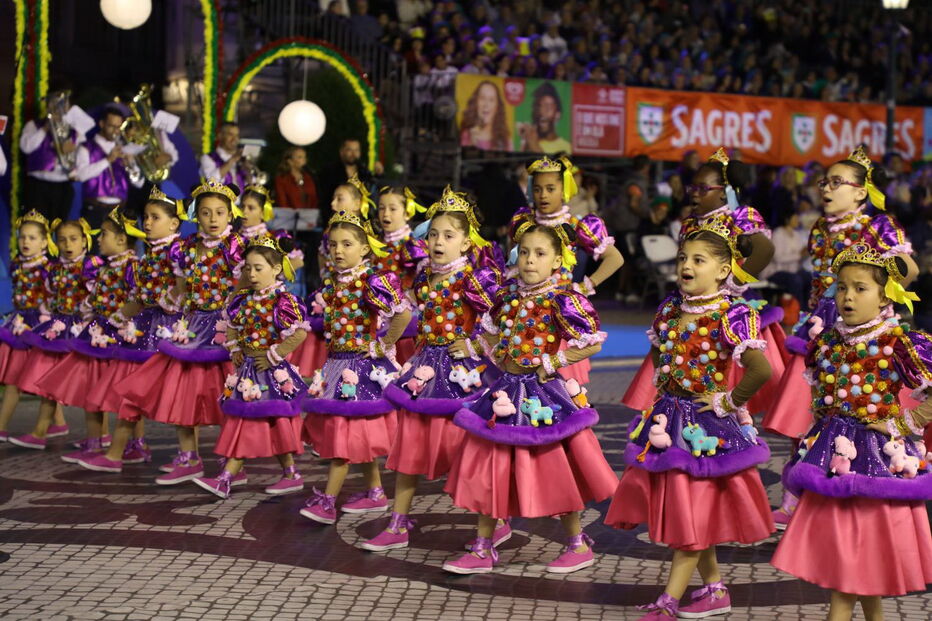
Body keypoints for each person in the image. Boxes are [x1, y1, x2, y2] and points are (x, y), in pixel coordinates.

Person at [605, 222, 774, 619]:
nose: (687, 265)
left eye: (699, 260)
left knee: (690, 514)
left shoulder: (732, 314)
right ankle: (715, 589)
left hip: (706, 429)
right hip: (668, 422)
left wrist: (728, 400)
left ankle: (669, 601)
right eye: (683, 257)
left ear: (723, 269)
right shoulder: (670, 308)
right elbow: (662, 359)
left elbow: (760, 369)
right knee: (690, 513)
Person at [441, 224, 618, 574]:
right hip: (504, 389)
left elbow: (592, 342)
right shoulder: (507, 296)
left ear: (557, 260)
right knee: (492, 466)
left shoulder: (562, 299)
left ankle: (577, 542)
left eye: (539, 254)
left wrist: (554, 361)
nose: (529, 260)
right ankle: (483, 547)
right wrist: (474, 346)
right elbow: (493, 335)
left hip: (541, 395)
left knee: (554, 470)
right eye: (524, 252)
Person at [771, 243, 932, 620]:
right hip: (831, 458)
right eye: (841, 287)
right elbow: (819, 396)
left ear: (884, 295)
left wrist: (906, 422)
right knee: (852, 563)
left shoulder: (899, 341)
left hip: (877, 458)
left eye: (861, 288)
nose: (847, 296)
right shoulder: (827, 340)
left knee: (852, 567)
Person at [765, 146, 917, 527]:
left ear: (861, 191)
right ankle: (794, 496)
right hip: (820, 327)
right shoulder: (819, 227)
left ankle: (871, 486)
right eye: (824, 182)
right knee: (805, 412)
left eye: (836, 182)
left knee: (865, 414)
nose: (826, 189)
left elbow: (908, 271)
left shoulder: (880, 225)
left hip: (865, 331)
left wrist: (875, 291)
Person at [358, 186, 502, 552]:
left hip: (463, 374)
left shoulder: (475, 280)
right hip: (423, 370)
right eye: (434, 234)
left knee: (470, 451)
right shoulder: (424, 279)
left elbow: (500, 323)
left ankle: (495, 521)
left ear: (467, 243)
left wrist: (472, 345)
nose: (438, 241)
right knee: (409, 447)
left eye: (449, 236)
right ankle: (397, 522)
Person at [623, 148, 786, 418]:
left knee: (722, 370)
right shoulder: (690, 222)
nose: (694, 193)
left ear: (724, 192)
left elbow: (764, 249)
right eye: (692, 187)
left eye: (702, 188)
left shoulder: (740, 216)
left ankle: (730, 414)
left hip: (723, 309)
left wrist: (736, 282)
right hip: (690, 304)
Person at [115, 180, 245, 484]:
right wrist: (173, 300)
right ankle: (189, 457)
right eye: (205, 213)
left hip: (225, 328)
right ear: (195, 216)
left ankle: (233, 464)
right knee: (184, 393)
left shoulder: (234, 245)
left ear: (230, 216)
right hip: (192, 326)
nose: (213, 219)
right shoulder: (186, 248)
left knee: (229, 395)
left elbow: (243, 282)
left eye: (219, 213)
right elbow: (183, 284)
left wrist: (233, 310)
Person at [299, 211, 411, 523]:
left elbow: (402, 315)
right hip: (336, 364)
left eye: (347, 244)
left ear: (364, 249)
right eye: (333, 244)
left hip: (360, 367)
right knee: (354, 435)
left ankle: (328, 501)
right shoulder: (333, 282)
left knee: (342, 439)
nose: (338, 250)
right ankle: (375, 493)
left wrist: (381, 344)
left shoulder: (371, 282)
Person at [14, 208, 145, 454]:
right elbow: (94, 296)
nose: (98, 239)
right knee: (92, 390)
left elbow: (136, 298)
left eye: (103, 234)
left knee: (123, 394)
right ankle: (95, 442)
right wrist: (89, 308)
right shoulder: (101, 267)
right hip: (93, 333)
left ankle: (133, 445)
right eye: (62, 239)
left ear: (120, 239)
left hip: (115, 337)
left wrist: (117, 318)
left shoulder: (124, 266)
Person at [74, 189, 186, 473]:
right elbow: (139, 298)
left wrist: (170, 300)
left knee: (176, 395)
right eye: (146, 217)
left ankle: (186, 456)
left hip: (167, 329)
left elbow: (186, 284)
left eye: (155, 217)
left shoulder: (178, 251)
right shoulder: (148, 255)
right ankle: (131, 448)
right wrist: (116, 318)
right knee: (135, 391)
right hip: (144, 327)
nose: (147, 222)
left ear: (174, 223)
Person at [193, 235, 310, 499]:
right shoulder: (243, 298)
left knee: (258, 420)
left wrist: (275, 354)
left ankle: (227, 477)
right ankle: (290, 474)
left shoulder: (283, 300)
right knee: (261, 421)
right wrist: (234, 348)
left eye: (259, 268)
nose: (252, 274)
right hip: (247, 370)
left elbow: (300, 333)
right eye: (248, 268)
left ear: (277, 268)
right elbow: (232, 327)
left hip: (269, 369)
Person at [509, 155, 624, 384]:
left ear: (564, 189)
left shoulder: (575, 225)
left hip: (557, 318)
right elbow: (511, 263)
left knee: (561, 391)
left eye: (550, 188)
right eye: (538, 188)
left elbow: (615, 259)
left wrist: (584, 287)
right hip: (522, 312)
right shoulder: (523, 222)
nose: (543, 195)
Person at [15, 220, 101, 450]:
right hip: (59, 327)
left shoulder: (90, 265)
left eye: (73, 238)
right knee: (50, 381)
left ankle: (100, 436)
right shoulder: (55, 268)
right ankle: (40, 430)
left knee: (89, 385)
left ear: (84, 240)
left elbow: (100, 293)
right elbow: (51, 294)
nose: (67, 244)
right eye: (62, 239)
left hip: (83, 329)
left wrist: (87, 310)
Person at [0, 211, 55, 441]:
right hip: (17, 324)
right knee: (28, 377)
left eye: (32, 238)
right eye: (22, 237)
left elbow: (53, 299)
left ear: (44, 242)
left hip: (37, 328)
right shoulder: (16, 265)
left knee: (20, 380)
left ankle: (1, 427)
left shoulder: (48, 270)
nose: (25, 242)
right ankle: (59, 424)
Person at [372, 185, 428, 363]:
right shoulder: (374, 243)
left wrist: (408, 299)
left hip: (405, 309)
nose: (385, 214)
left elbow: (426, 280)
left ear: (407, 213)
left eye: (393, 209)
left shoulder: (413, 245)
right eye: (381, 208)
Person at [20, 92, 86, 222]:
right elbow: (26, 148)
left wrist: (72, 150)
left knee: (60, 227)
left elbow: (82, 158)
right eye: (55, 105)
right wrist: (45, 129)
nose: (59, 110)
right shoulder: (34, 125)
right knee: (36, 226)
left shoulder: (75, 130)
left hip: (63, 185)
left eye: (63, 105)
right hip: (38, 186)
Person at [74, 106, 143, 231]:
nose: (116, 131)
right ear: (102, 124)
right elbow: (81, 175)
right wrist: (107, 160)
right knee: (93, 249)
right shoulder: (86, 147)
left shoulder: (124, 148)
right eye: (112, 126)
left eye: (119, 127)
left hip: (119, 209)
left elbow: (139, 183)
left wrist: (131, 163)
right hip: (94, 209)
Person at [606, 154, 651, 305]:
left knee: (625, 260)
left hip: (623, 225)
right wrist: (647, 214)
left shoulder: (630, 180)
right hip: (628, 226)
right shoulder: (635, 184)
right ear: (646, 167)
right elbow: (634, 204)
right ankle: (625, 291)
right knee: (627, 261)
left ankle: (622, 291)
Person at [317, 138, 382, 226]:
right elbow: (323, 199)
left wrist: (379, 175)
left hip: (361, 220)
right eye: (349, 150)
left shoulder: (364, 171)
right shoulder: (329, 171)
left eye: (356, 150)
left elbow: (373, 193)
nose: (353, 153)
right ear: (342, 152)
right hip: (334, 218)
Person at [517, 82, 572, 154]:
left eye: (548, 107)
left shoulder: (567, 147)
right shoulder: (529, 141)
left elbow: (561, 165)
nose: (542, 112)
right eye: (538, 107)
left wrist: (534, 146)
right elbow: (523, 164)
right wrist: (524, 141)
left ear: (558, 114)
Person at [459, 80, 512, 152]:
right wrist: (472, 142)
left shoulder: (505, 140)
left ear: (497, 107)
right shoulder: (467, 135)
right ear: (476, 103)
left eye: (491, 100)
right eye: (482, 98)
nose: (486, 105)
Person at [199, 122, 252, 189]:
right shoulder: (208, 158)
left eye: (237, 135)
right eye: (230, 135)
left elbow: (252, 185)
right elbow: (212, 181)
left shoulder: (241, 160)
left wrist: (248, 171)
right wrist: (232, 159)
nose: (234, 139)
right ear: (220, 136)